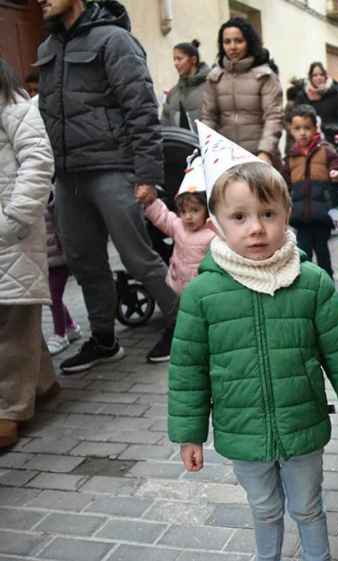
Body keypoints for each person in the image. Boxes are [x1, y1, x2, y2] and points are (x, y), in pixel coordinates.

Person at [169, 123, 338, 561]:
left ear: (286, 214)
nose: (256, 228)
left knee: (308, 506)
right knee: (264, 509)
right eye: (239, 217)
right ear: (216, 223)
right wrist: (190, 435)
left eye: (268, 214)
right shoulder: (202, 293)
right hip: (242, 429)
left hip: (302, 425)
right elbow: (188, 369)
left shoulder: (311, 281)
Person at [36, 0, 178, 369]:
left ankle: (183, 325)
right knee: (84, 262)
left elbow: (141, 109)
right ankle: (103, 339)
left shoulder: (114, 40)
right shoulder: (48, 48)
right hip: (68, 175)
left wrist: (147, 175)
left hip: (113, 167)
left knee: (137, 257)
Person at [0, 58, 61, 449]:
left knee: (11, 319)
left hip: (11, 234)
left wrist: (13, 220)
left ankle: (9, 409)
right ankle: (43, 383)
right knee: (15, 317)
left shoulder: (16, 108)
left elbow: (38, 163)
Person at [202, 17, 283, 167]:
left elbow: (273, 117)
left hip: (259, 158)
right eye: (227, 42)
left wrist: (265, 152)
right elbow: (208, 118)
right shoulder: (214, 77)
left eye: (238, 41)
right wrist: (206, 151)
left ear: (249, 42)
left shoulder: (265, 76)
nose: (232, 47)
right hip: (225, 160)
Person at [284, 104, 338, 278]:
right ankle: (306, 283)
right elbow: (283, 184)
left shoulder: (325, 150)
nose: (302, 133)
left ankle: (328, 282)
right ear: (291, 130)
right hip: (300, 216)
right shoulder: (291, 156)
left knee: (322, 252)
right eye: (297, 128)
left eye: (307, 128)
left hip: (322, 214)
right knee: (303, 253)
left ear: (315, 128)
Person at [134, 157, 217, 296]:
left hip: (204, 289)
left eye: (195, 210)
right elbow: (163, 217)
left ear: (206, 210)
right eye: (183, 211)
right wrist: (151, 203)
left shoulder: (213, 234)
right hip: (178, 284)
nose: (188, 216)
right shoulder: (178, 226)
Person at [44, 192, 82, 355]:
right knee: (52, 297)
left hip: (59, 258)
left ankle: (60, 334)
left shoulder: (51, 199)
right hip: (45, 259)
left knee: (52, 297)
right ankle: (71, 327)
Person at [293, 62, 338, 145]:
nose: (319, 78)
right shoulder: (303, 95)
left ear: (325, 76)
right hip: (308, 141)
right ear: (310, 78)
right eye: (315, 75)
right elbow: (294, 117)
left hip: (331, 139)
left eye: (321, 75)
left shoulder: (335, 94)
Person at [160, 39, 211, 128]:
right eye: (174, 59)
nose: (175, 63)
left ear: (193, 60)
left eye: (179, 59)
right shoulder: (172, 93)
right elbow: (164, 124)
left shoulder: (211, 88)